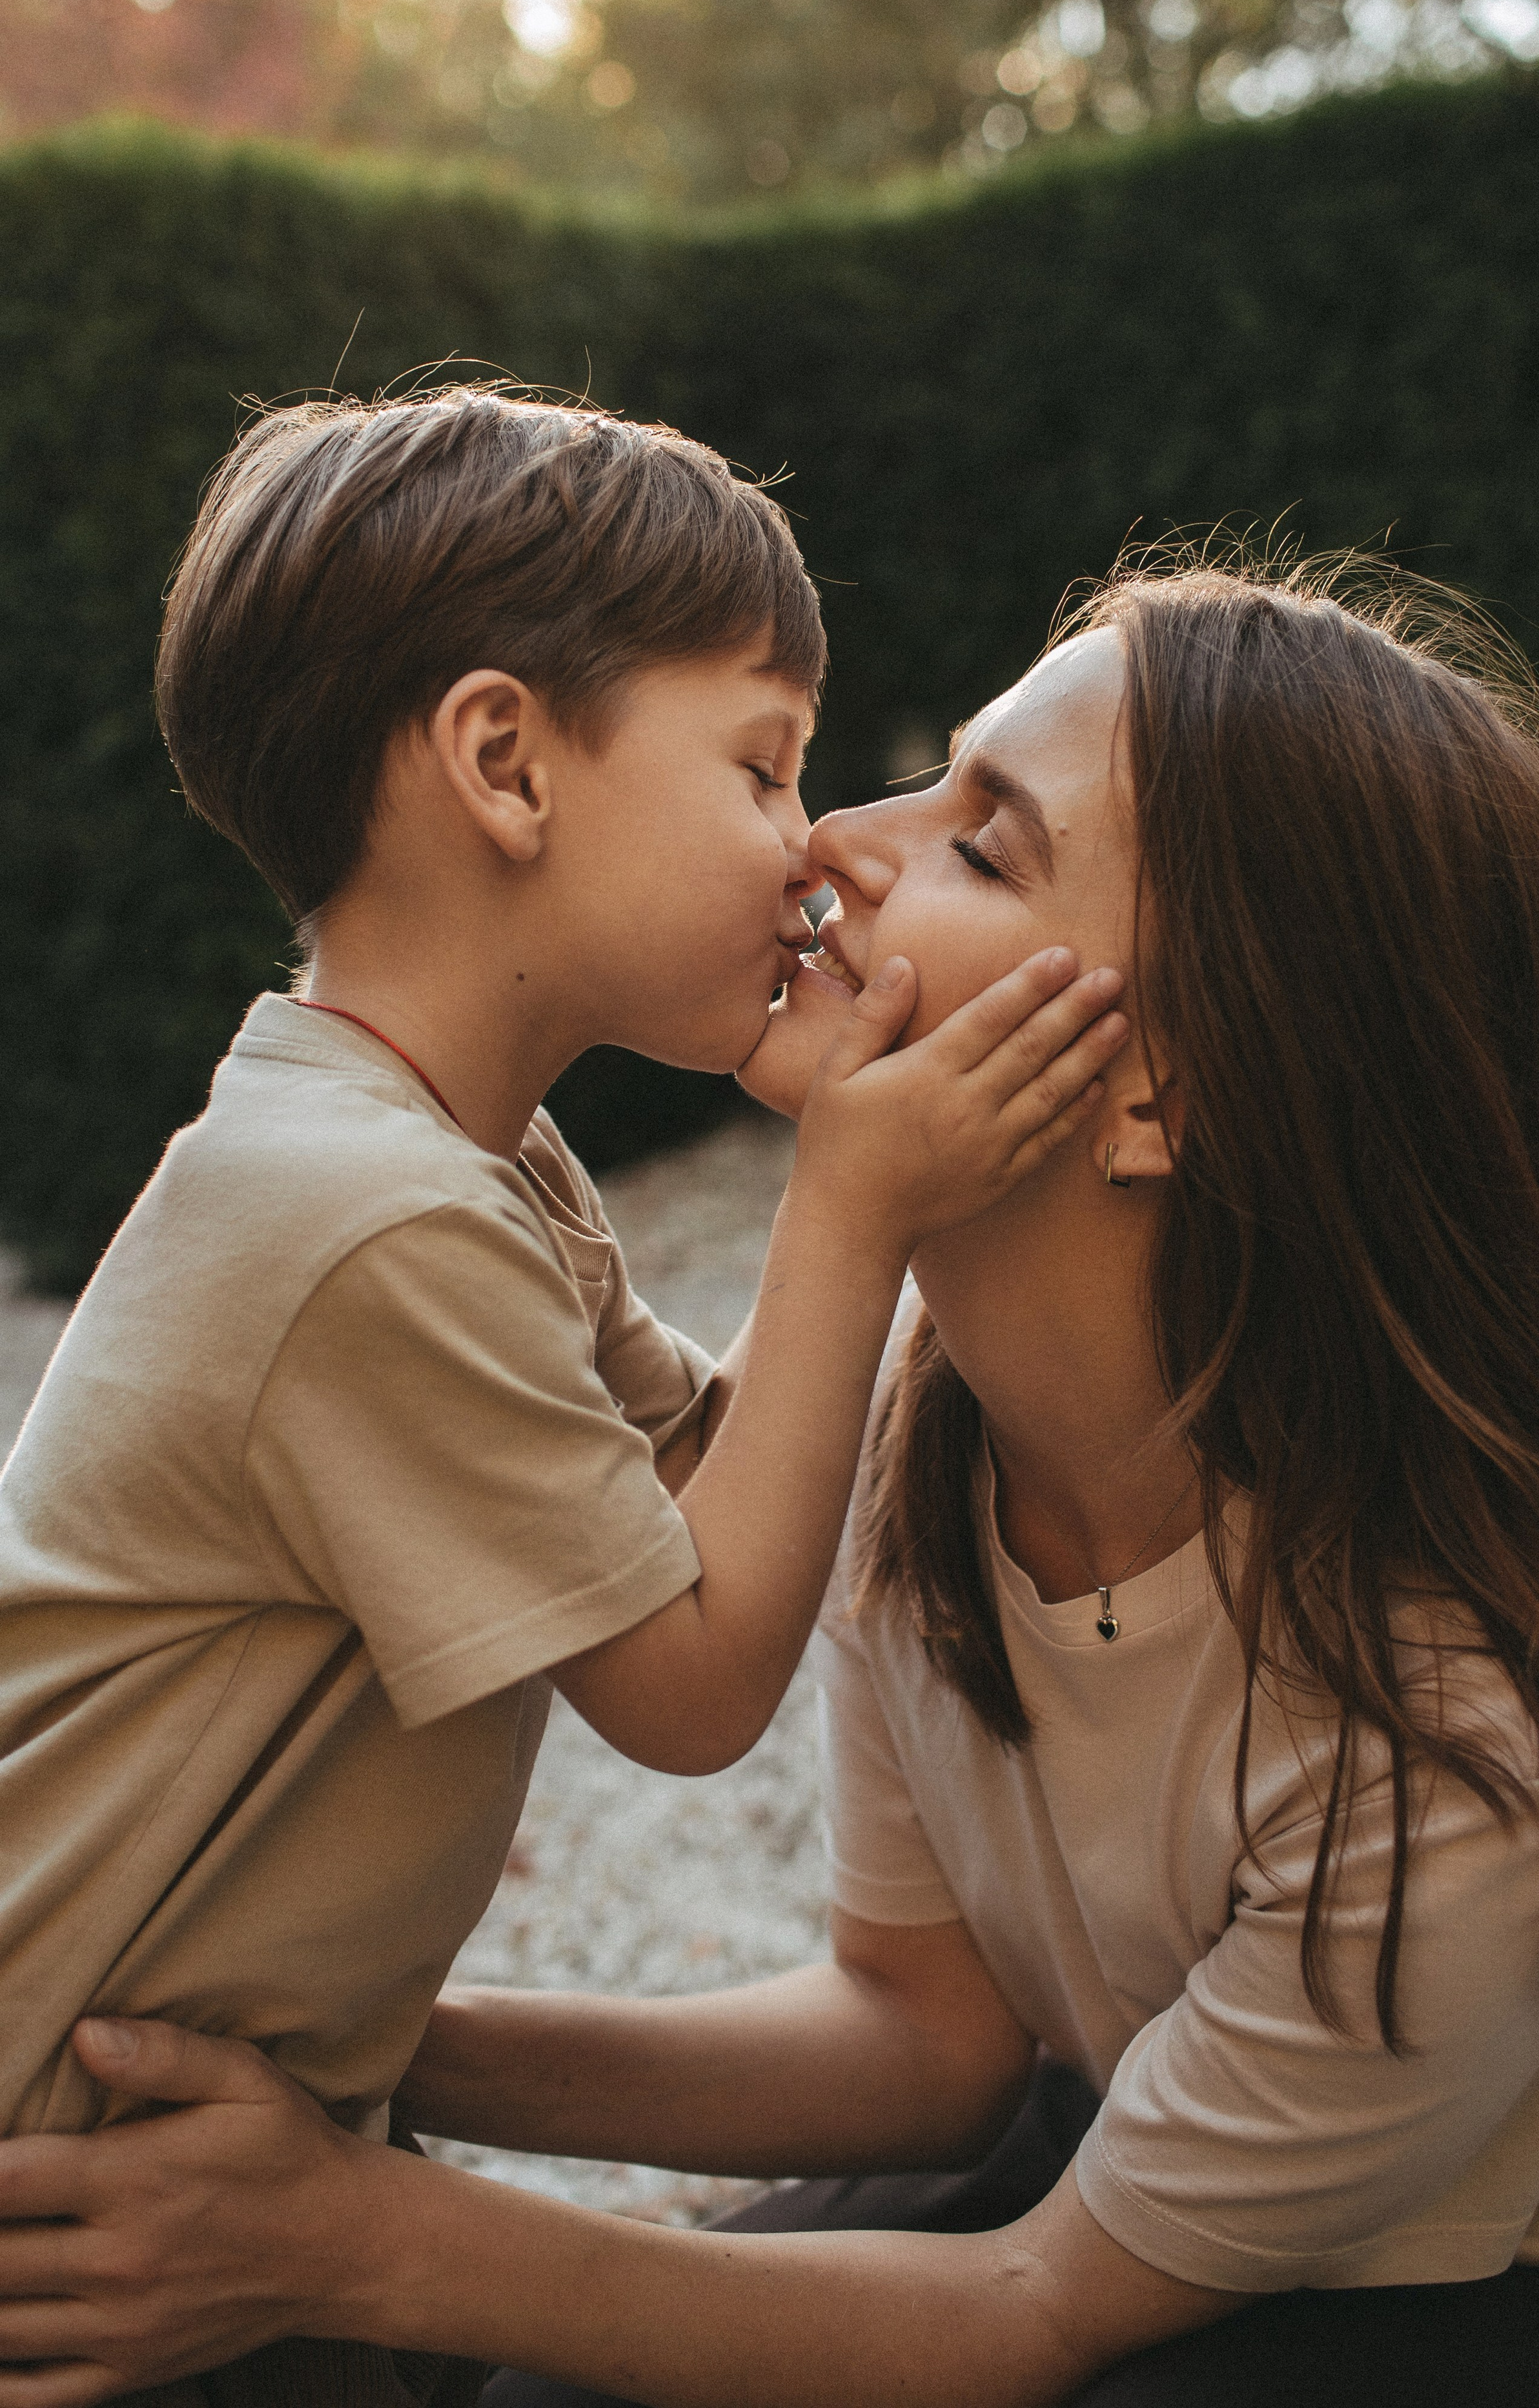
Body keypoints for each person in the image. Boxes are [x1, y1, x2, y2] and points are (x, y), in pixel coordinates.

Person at [3, 556, 1539, 2408]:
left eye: (984, 846)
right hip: (1118, 2136)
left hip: (1514, 2275)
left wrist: (354, 2238)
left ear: (1158, 1096)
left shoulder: (1451, 1757)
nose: (832, 849)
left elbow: (1035, 2311)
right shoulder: (923, 1442)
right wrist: (341, 2057)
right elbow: (927, 2033)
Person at [0, 389, 1126, 2407]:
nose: (809, 854)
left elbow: (740, 1472)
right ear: (507, 763)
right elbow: (694, 1689)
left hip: (203, 2128)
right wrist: (847, 1203)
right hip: (81, 2202)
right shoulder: (361, 1229)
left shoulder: (466, 1165)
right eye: (763, 767)